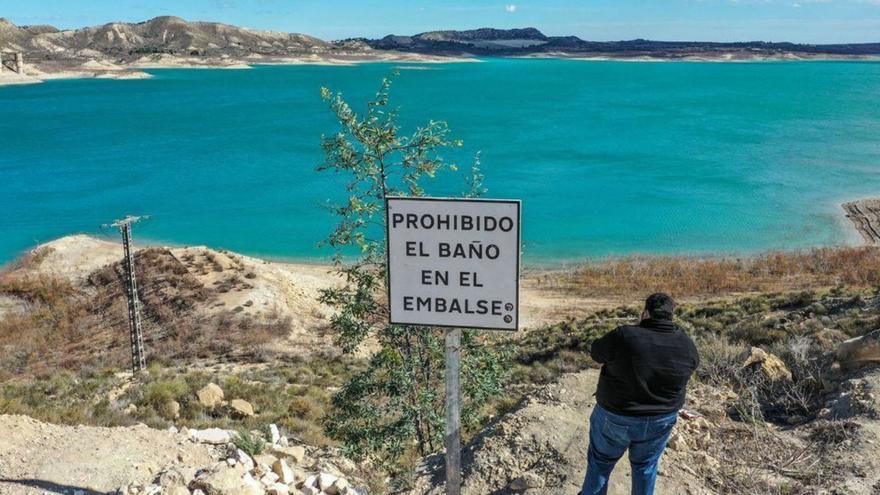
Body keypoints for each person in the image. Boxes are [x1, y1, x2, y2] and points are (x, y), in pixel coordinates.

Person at [579, 293, 699, 495]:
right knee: (645, 467)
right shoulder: (686, 344)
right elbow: (690, 368)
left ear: (646, 313)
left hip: (615, 416)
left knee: (600, 464)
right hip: (660, 420)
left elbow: (596, 353)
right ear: (671, 317)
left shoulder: (625, 335)